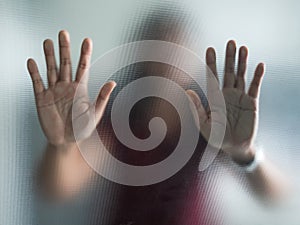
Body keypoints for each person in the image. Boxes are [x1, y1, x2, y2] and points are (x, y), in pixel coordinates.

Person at [27, 8, 289, 225]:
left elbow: (275, 196)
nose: (167, 63)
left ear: (193, 62)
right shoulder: (119, 121)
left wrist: (246, 154)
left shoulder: (209, 124)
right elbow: (57, 188)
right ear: (140, 60)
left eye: (177, 52)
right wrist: (61, 145)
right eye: (158, 51)